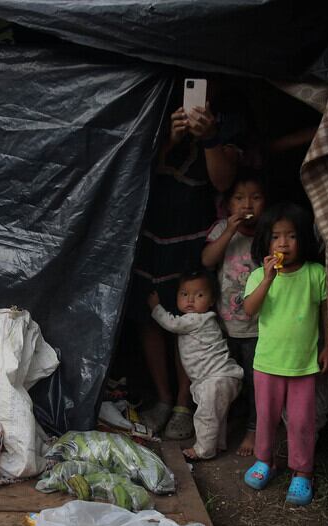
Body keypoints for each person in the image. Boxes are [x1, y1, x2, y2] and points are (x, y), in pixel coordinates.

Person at [134, 87, 249, 440]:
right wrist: (167, 139)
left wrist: (210, 137)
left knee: (190, 316)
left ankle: (185, 402)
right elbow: (133, 169)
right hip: (148, 234)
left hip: (191, 237)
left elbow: (223, 181)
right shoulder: (152, 109)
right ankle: (165, 398)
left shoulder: (229, 122)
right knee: (149, 317)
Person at [241, 203, 328, 506]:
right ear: (265, 242)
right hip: (267, 363)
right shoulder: (258, 276)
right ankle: (263, 461)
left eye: (291, 236)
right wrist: (267, 280)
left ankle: (302, 472)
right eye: (276, 236)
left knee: (302, 421)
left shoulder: (316, 274)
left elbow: (325, 314)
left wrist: (327, 346)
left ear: (303, 239)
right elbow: (249, 311)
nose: (283, 243)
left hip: (303, 366)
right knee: (266, 417)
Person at [201, 168, 267, 456]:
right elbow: (207, 259)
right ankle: (225, 424)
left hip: (259, 327)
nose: (247, 205)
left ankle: (254, 428)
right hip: (226, 325)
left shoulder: (269, 232)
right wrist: (229, 230)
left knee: (256, 383)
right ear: (228, 204)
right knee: (227, 378)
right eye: (239, 198)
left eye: (255, 197)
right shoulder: (220, 230)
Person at [147, 272, 243, 460]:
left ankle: (202, 450)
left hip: (213, 379)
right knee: (217, 414)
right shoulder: (209, 320)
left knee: (206, 417)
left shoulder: (196, 319)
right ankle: (218, 444)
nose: (190, 300)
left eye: (199, 295)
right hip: (225, 377)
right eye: (184, 294)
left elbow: (170, 323)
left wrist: (155, 306)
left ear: (211, 300)